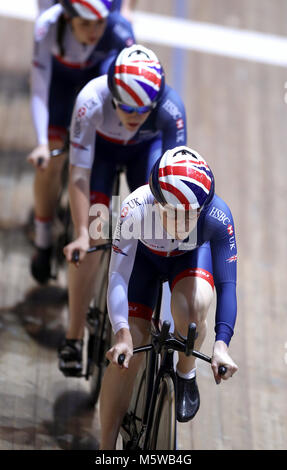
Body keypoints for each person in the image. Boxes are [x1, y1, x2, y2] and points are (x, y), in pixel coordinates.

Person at [59, 44, 187, 377]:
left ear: (156, 101)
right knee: (92, 239)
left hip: (144, 155)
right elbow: (78, 174)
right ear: (112, 93)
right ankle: (74, 336)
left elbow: (171, 183)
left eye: (143, 109)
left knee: (161, 229)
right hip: (100, 156)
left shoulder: (171, 108)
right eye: (126, 106)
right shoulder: (91, 100)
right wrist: (83, 234)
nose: (133, 116)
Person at [99, 145, 238, 450]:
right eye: (173, 214)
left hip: (185, 262)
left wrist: (221, 345)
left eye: (191, 215)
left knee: (193, 308)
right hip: (143, 265)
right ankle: (105, 446)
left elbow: (228, 286)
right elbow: (118, 275)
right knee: (128, 353)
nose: (182, 224)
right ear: (155, 200)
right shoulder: (133, 207)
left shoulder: (217, 216)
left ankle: (185, 372)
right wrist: (122, 332)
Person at [27, 0, 135, 284]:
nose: (94, 31)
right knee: (51, 160)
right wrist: (41, 142)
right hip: (59, 84)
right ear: (68, 18)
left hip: (99, 75)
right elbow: (39, 86)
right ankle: (43, 239)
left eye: (100, 22)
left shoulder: (119, 30)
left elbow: (127, 90)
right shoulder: (47, 26)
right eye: (85, 24)